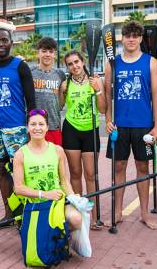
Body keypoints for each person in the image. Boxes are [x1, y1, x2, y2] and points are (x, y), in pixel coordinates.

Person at [104, 21, 157, 230]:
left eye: (135, 36)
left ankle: (145, 213)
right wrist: (108, 120)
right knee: (119, 167)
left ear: (140, 39)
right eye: (127, 35)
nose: (131, 39)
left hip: (144, 126)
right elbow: (108, 95)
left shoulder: (151, 63)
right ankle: (118, 211)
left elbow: (156, 96)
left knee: (142, 167)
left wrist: (156, 127)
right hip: (120, 127)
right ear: (122, 38)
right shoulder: (113, 64)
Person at [0, 28, 36, 220]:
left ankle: (24, 213)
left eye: (4, 40)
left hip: (16, 127)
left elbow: (31, 100)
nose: (0, 44)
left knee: (19, 171)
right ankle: (9, 213)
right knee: (1, 170)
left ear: (11, 43)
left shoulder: (20, 66)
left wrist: (32, 126)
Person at [59, 50, 106, 230]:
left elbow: (102, 109)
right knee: (75, 174)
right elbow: (59, 106)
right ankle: (79, 215)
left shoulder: (95, 81)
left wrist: (98, 90)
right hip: (71, 130)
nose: (74, 66)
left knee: (91, 175)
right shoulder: (66, 84)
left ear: (83, 61)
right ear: (67, 67)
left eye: (77, 62)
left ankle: (94, 217)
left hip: (90, 131)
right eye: (70, 64)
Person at [13, 109, 82, 229]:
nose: (37, 128)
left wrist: (73, 198)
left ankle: (66, 241)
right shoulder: (20, 154)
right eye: (33, 124)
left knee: (76, 218)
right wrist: (44, 194)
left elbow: (64, 181)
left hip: (57, 202)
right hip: (35, 205)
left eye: (41, 124)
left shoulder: (58, 150)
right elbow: (18, 188)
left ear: (47, 127)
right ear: (27, 128)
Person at [31, 37, 66, 146]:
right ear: (38, 53)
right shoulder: (30, 72)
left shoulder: (60, 74)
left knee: (54, 161)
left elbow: (60, 104)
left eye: (51, 51)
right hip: (34, 126)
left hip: (53, 125)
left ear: (54, 54)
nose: (47, 54)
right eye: (44, 51)